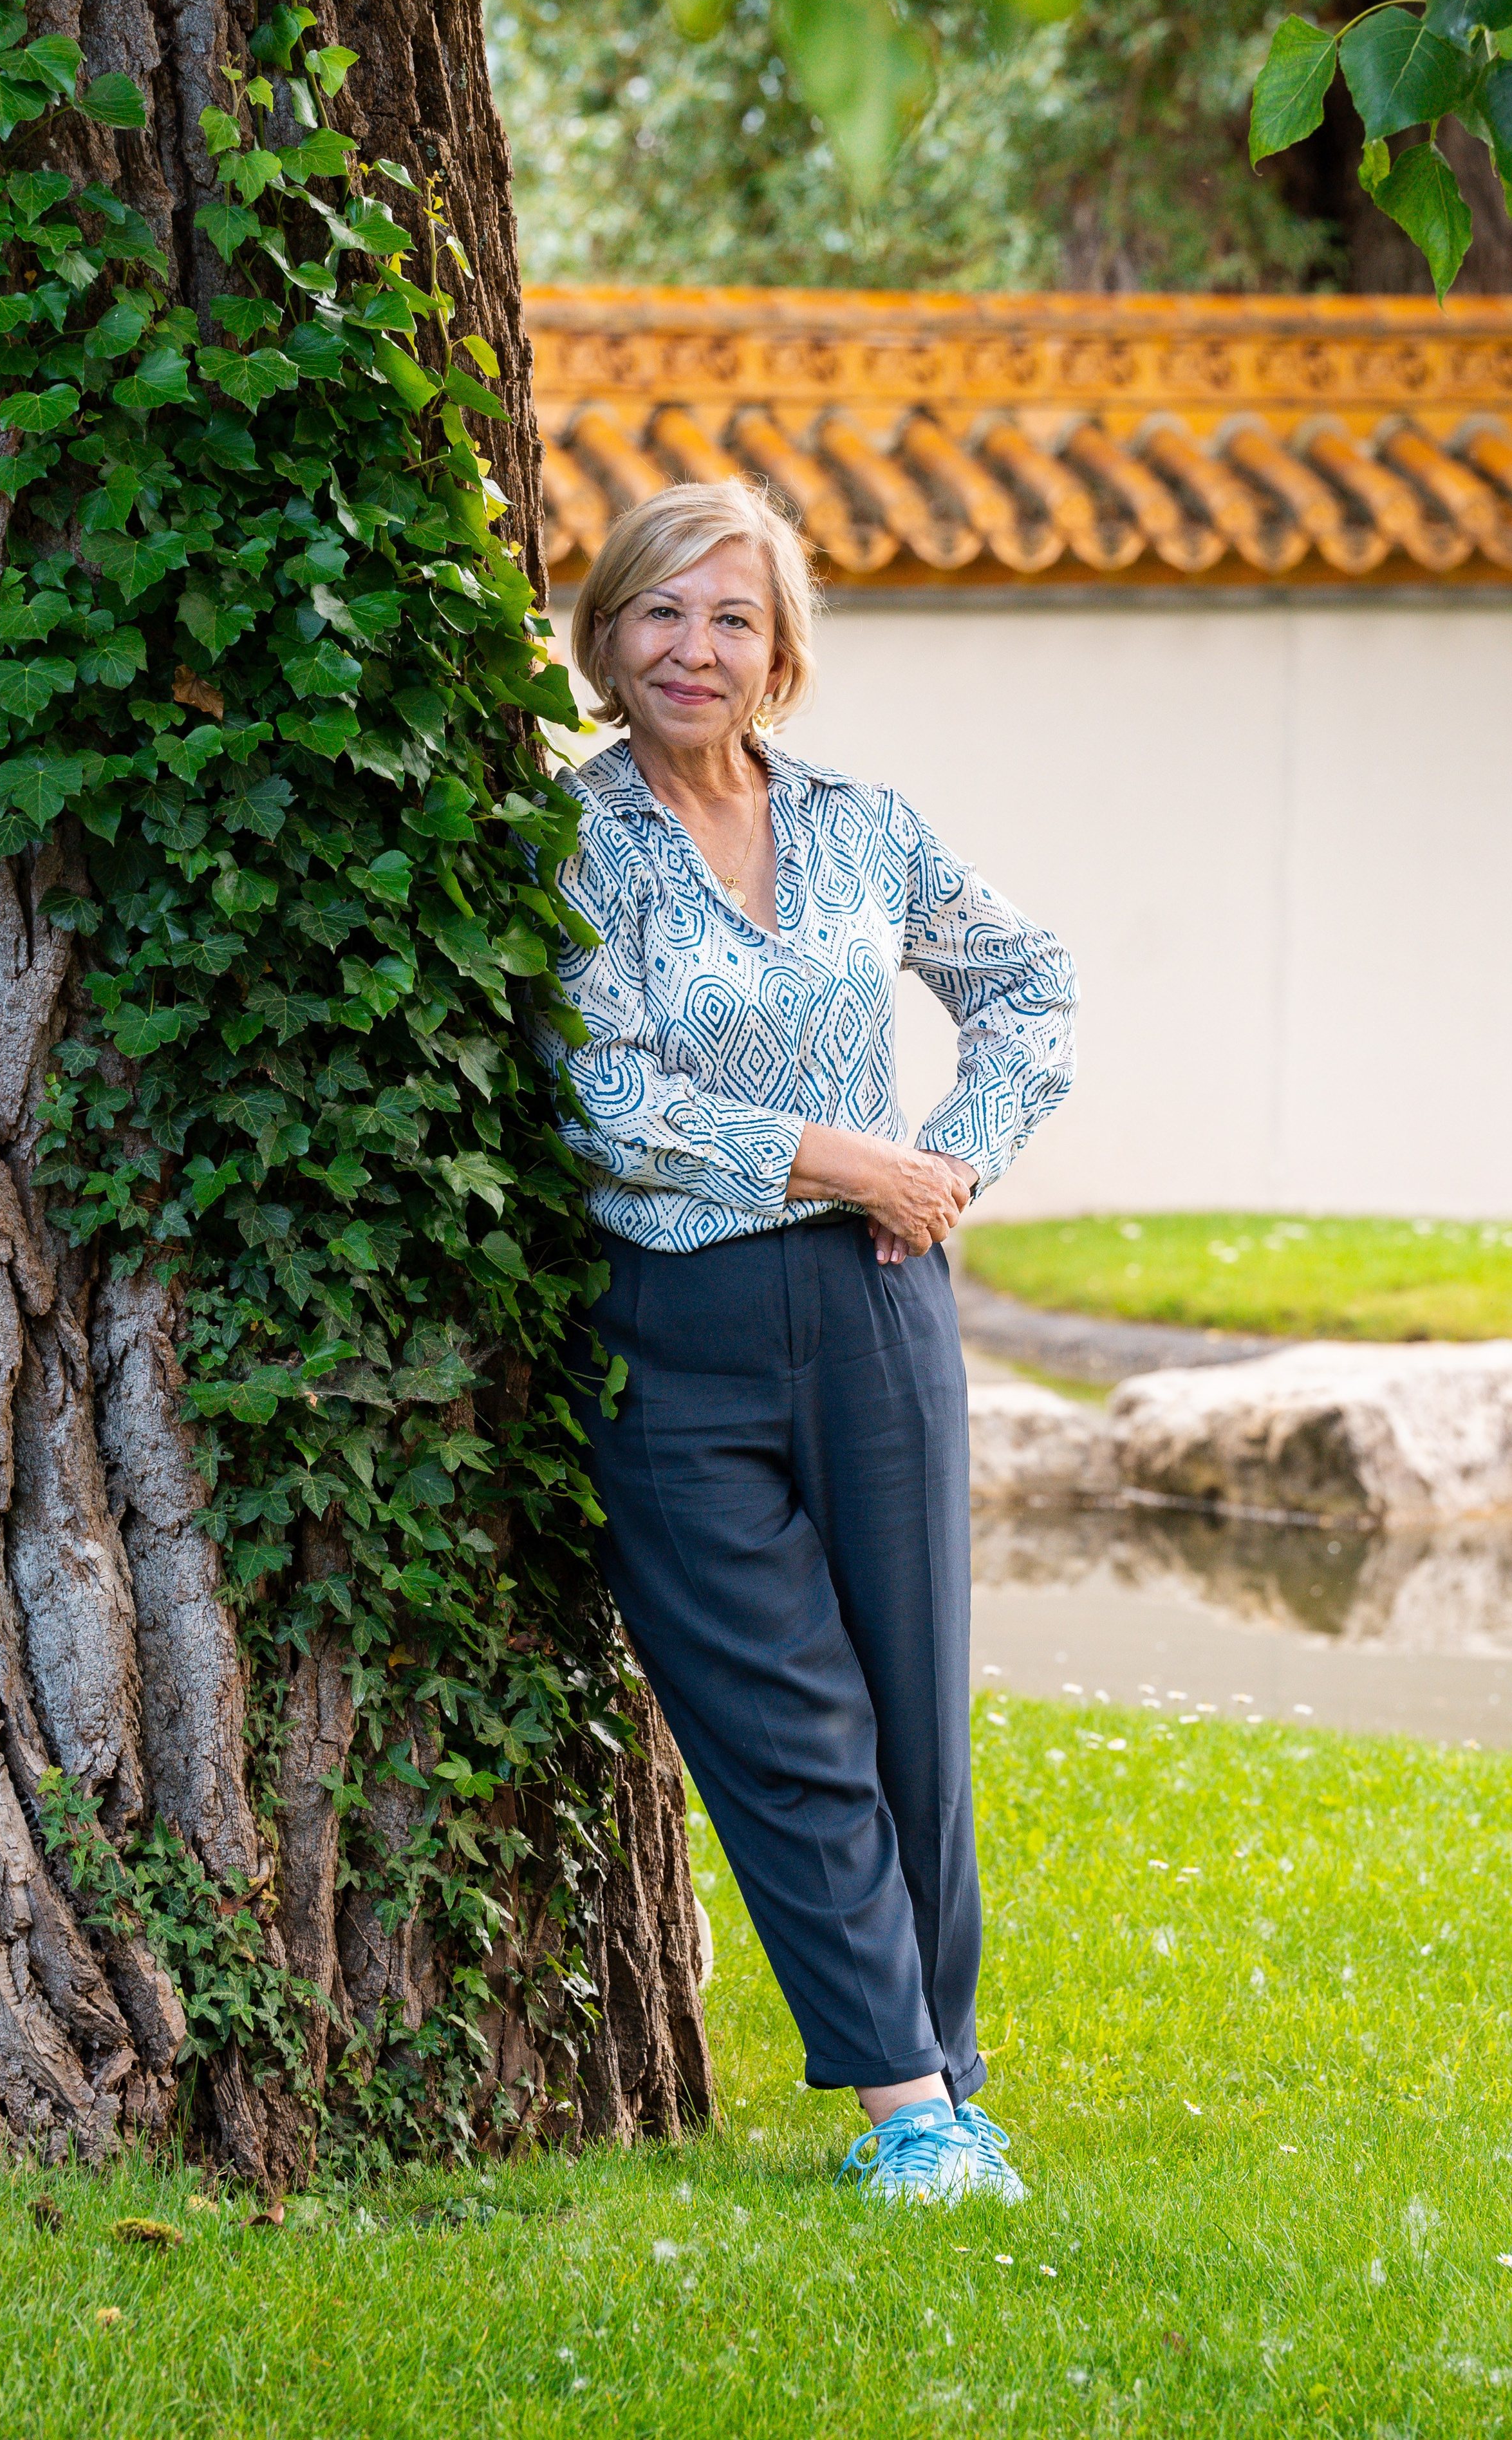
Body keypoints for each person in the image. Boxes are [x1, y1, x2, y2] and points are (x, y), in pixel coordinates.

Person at [536, 479, 1077, 2206]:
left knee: (914, 1710)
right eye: (659, 614)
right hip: (676, 1327)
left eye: (731, 619)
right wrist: (848, 1156)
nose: (693, 649)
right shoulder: (570, 844)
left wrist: (959, 1158)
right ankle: (908, 2112)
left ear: (782, 655)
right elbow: (602, 1101)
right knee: (788, 1717)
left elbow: (1030, 980)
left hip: (878, 1317)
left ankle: (950, 2080)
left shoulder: (866, 825)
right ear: (608, 637)